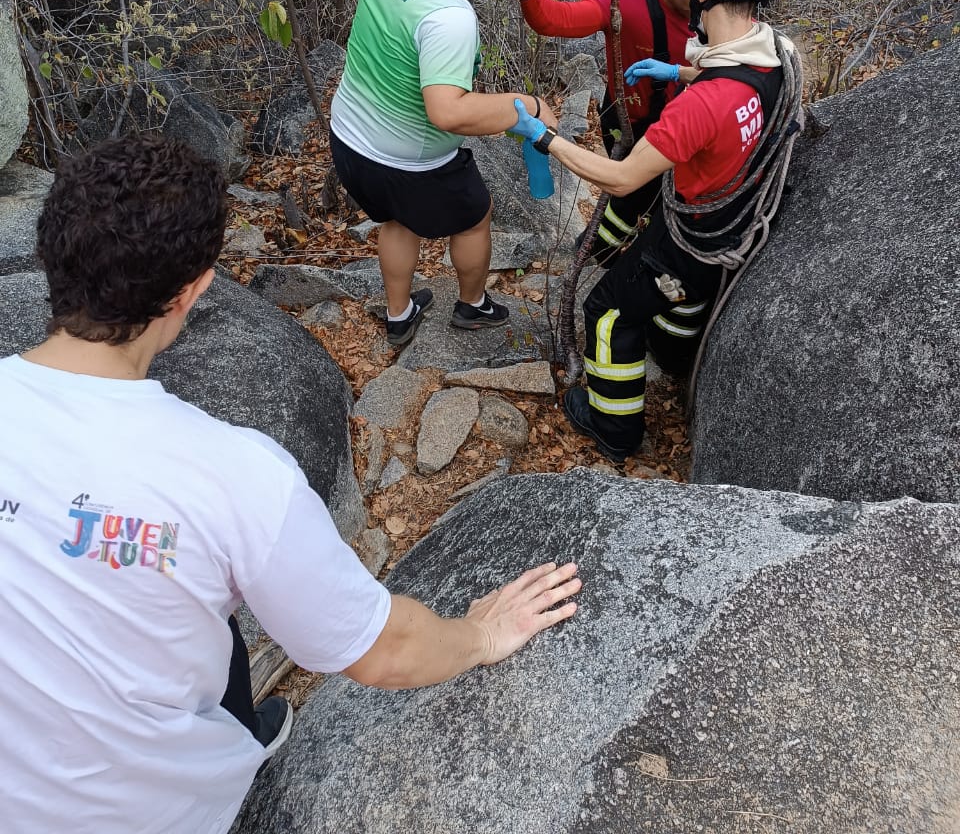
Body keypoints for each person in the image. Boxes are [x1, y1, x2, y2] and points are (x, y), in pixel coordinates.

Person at [0, 135, 581, 834]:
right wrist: (481, 634)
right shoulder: (234, 475)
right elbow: (383, 650)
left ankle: (240, 720)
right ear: (193, 291)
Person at [509, 0, 800, 462]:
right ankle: (670, 348)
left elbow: (621, 176)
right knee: (656, 284)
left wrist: (547, 139)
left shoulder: (705, 104)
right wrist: (680, 71)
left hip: (692, 242)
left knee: (607, 311)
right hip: (720, 228)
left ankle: (614, 427)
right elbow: (734, 79)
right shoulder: (777, 58)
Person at [330, 0, 560, 347]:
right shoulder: (451, 17)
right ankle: (472, 305)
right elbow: (447, 111)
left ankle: (400, 315)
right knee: (475, 214)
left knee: (396, 221)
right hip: (406, 162)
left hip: (349, 140)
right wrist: (526, 105)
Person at [503, 0, 695, 264]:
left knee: (652, 202)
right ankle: (599, 255)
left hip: (681, 123)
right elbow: (558, 20)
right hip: (629, 125)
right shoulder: (628, 3)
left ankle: (608, 250)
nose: (708, 10)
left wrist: (680, 71)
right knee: (632, 196)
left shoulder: (716, 8)